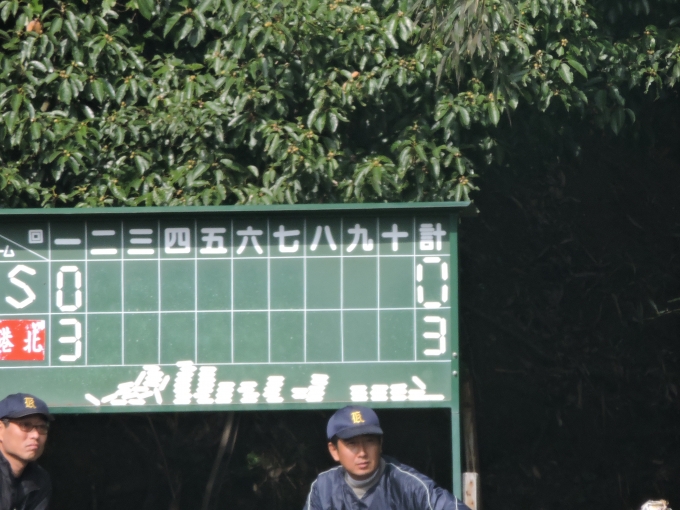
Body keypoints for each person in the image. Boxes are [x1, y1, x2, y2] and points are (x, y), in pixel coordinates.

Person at [303, 405, 472, 510]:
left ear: (380, 444)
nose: (362, 452)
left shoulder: (408, 484)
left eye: (369, 441)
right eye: (352, 443)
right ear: (334, 450)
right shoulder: (323, 486)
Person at [0, 393, 52, 510]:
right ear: (1, 430)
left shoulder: (39, 478)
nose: (36, 435)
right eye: (25, 425)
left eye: (41, 427)